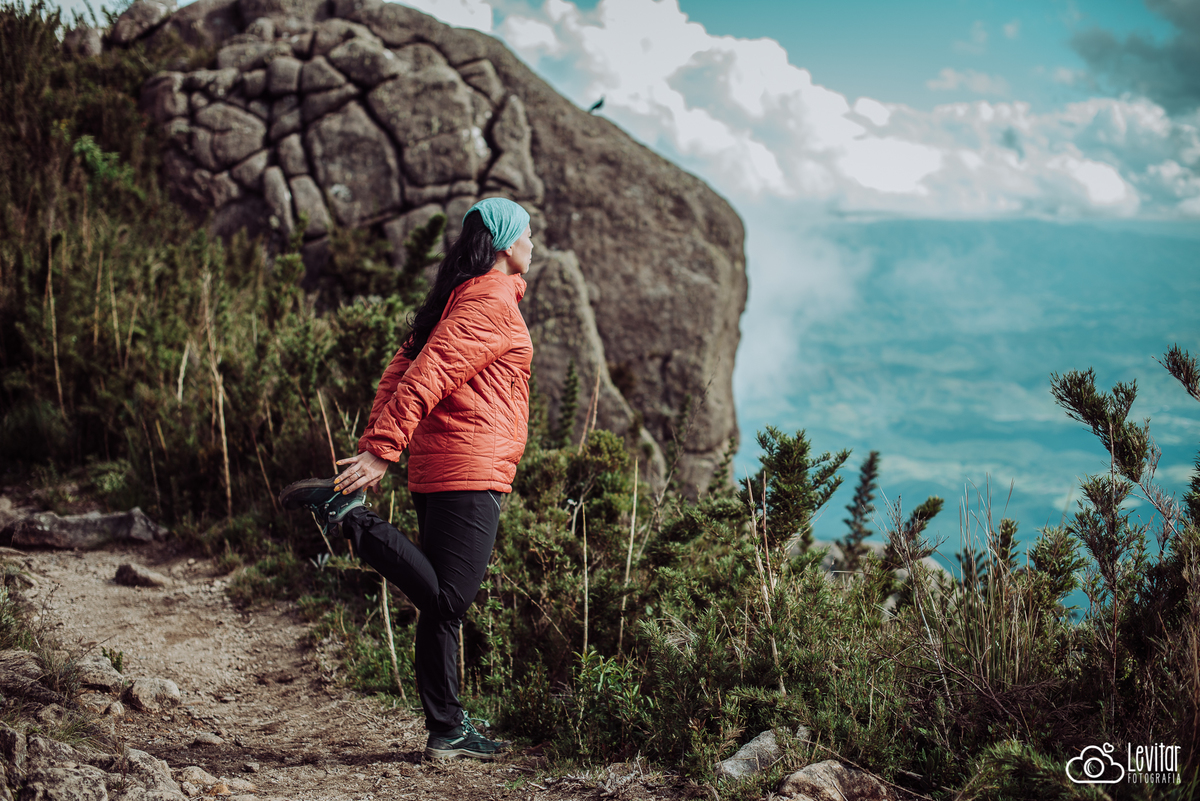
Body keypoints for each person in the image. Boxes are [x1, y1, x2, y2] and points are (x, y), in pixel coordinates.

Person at [279, 197, 534, 761]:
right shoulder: (490, 301)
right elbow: (430, 372)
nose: (533, 245)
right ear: (505, 245)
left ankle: (446, 726)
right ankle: (352, 519)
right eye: (527, 235)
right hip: (469, 467)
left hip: (442, 466)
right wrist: (380, 450)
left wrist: (380, 444)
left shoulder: (459, 300)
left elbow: (401, 370)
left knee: (437, 601)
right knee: (450, 597)